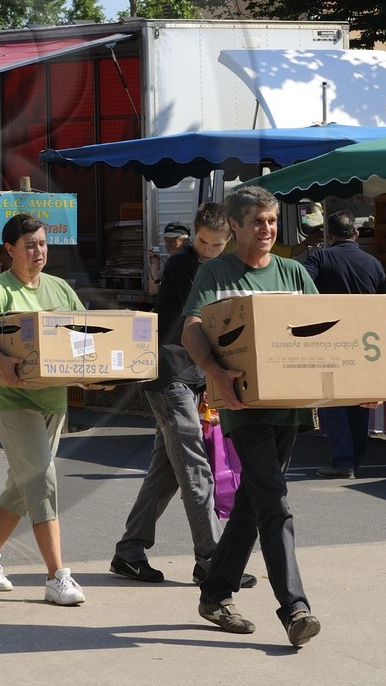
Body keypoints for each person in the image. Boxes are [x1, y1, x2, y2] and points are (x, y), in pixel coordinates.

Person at [181, 184, 323, 647]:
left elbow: (325, 332)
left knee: (254, 501)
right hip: (242, 405)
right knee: (275, 500)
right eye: (257, 221)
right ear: (236, 226)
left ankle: (215, 592)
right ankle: (295, 608)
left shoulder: (294, 272)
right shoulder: (217, 273)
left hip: (292, 407)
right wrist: (214, 371)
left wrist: (355, 385)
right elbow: (192, 329)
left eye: (272, 220)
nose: (267, 229)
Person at [112, 203, 255, 586]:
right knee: (194, 464)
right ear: (194, 235)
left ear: (229, 240)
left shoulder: (215, 265)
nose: (208, 248)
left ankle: (129, 551)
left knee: (168, 471)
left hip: (191, 374)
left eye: (217, 244)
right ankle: (213, 559)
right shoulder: (182, 265)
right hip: (169, 371)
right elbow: (210, 321)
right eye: (203, 242)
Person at [0, 213, 87, 607]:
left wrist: (93, 372)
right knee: (42, 479)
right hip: (10, 400)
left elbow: (85, 332)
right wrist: (0, 362)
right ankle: (56, 577)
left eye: (43, 243)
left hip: (52, 400)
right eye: (30, 245)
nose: (39, 251)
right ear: (10, 250)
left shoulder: (60, 288)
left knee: (23, 484)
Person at [300, 210, 386, 479]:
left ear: (329, 235)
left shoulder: (320, 257)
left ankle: (341, 460)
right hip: (364, 341)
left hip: (330, 339)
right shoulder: (373, 264)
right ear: (356, 234)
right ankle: (354, 459)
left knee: (333, 400)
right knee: (359, 400)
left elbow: (301, 285)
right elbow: (383, 305)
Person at [147, 221, 190, 295]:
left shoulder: (189, 261)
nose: (168, 245)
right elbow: (153, 290)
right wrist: (155, 262)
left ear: (185, 240)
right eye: (166, 241)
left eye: (172, 241)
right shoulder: (170, 259)